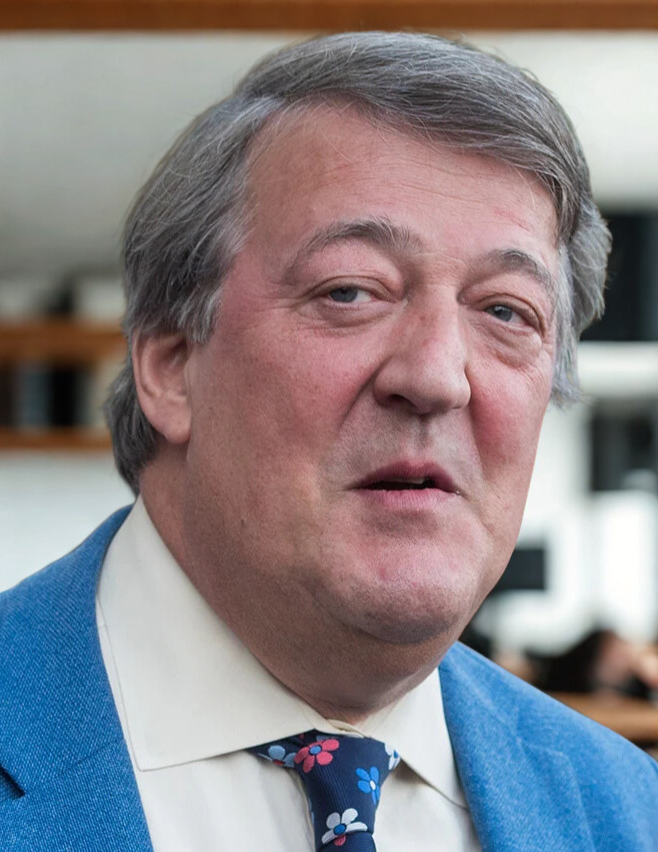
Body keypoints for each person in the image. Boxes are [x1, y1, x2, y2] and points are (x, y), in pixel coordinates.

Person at [1, 31, 656, 851]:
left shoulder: (626, 809)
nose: (437, 377)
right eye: (350, 290)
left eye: (504, 311)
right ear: (171, 367)